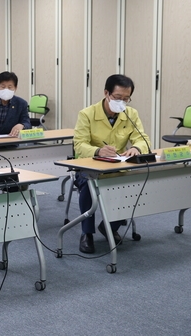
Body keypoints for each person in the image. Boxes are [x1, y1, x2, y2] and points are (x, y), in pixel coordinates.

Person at [74, 74, 151, 254]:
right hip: (90, 166)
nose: (122, 102)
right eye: (118, 98)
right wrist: (97, 151)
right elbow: (79, 144)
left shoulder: (131, 114)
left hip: (118, 167)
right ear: (106, 93)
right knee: (89, 187)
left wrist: (137, 149)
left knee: (134, 186)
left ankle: (110, 225)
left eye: (126, 98)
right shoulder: (87, 114)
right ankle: (87, 233)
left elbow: (142, 138)